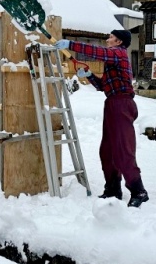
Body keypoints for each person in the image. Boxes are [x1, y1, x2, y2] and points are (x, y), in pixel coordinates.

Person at [55, 30, 149, 208]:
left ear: (119, 41)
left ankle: (139, 191)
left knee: (123, 151)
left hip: (122, 104)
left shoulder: (118, 53)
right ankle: (113, 189)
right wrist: (89, 76)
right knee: (107, 151)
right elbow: (104, 86)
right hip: (112, 104)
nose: (107, 40)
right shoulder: (112, 60)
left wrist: (71, 45)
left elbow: (98, 53)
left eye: (110, 37)